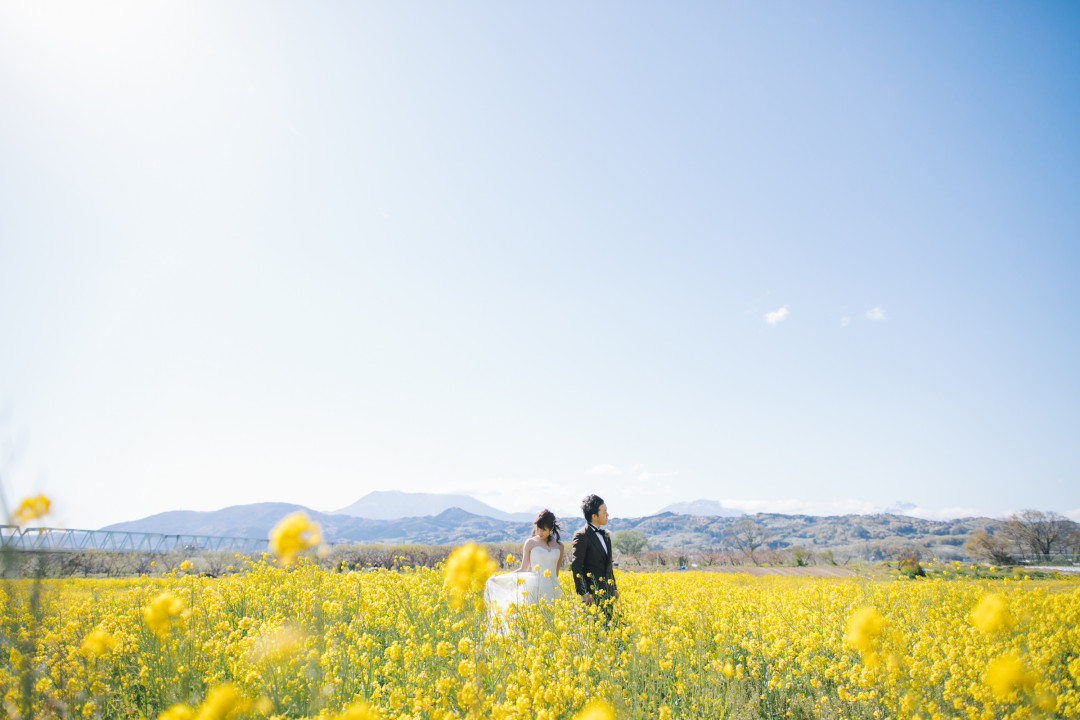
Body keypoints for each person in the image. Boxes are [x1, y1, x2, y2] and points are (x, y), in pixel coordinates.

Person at [484, 510, 564, 614]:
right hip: (535, 588)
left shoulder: (560, 546)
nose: (539, 533)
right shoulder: (530, 543)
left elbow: (556, 573)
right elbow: (523, 569)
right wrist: (499, 578)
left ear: (551, 528)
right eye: (538, 529)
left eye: (543, 530)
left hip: (552, 589)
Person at [571, 494, 618, 621]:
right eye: (604, 512)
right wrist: (584, 594)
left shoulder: (605, 535)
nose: (607, 515)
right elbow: (576, 567)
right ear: (594, 516)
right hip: (592, 596)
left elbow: (608, 565)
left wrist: (614, 588)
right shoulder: (582, 536)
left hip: (607, 594)